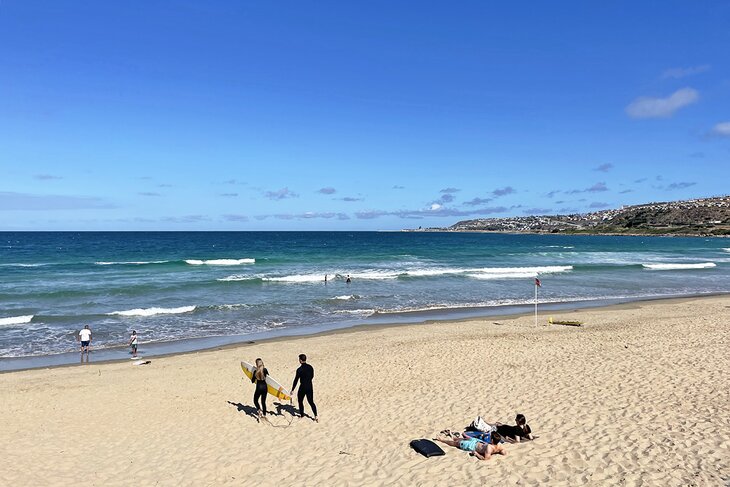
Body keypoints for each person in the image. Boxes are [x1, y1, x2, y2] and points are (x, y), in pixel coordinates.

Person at [435, 432, 506, 461]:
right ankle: (451, 435)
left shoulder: (489, 448)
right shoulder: (500, 445)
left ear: (492, 440)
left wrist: (476, 453)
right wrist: (499, 451)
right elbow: (504, 452)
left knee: (456, 443)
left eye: (490, 438)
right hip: (477, 441)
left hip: (472, 446)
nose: (489, 438)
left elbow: (486, 458)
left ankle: (442, 440)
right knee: (459, 439)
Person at [291, 354, 318, 422]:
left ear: (300, 360)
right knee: (311, 402)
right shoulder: (310, 367)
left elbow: (296, 380)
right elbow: (312, 376)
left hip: (302, 387)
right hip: (309, 386)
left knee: (300, 401)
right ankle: (316, 416)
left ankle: (302, 415)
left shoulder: (299, 369)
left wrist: (292, 389)